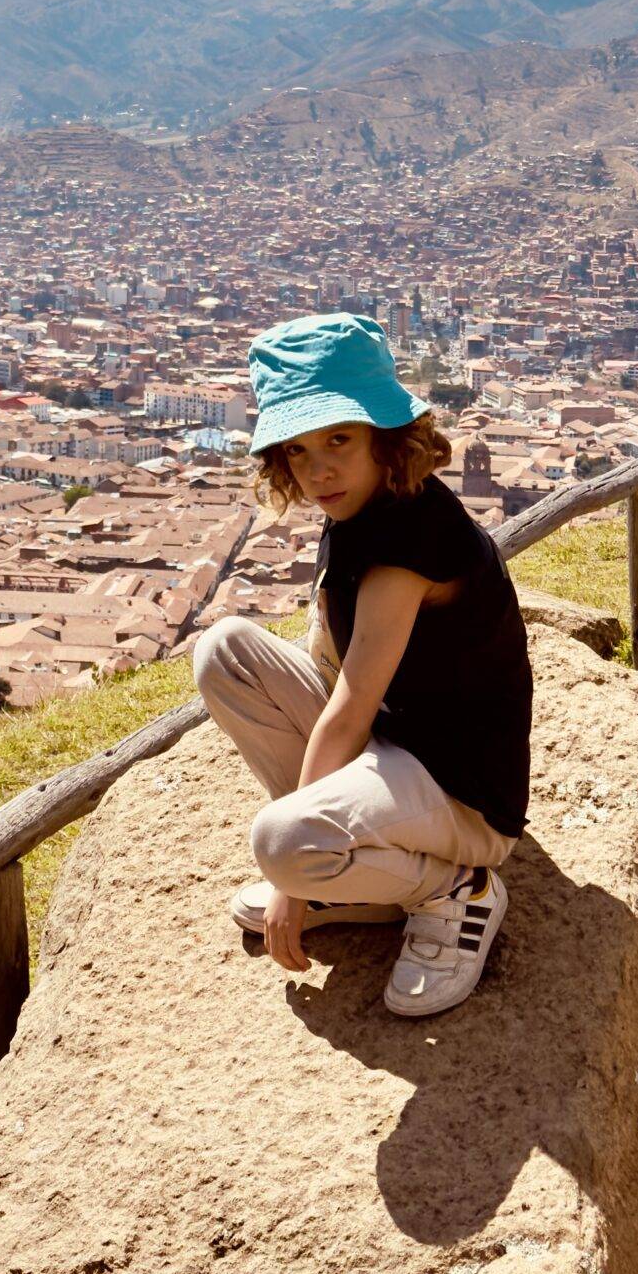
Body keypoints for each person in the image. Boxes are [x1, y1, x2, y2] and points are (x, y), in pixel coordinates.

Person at [190, 311, 533, 1018]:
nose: (317, 469)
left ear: (385, 434)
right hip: (397, 744)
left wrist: (289, 880)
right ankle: (351, 874)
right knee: (224, 650)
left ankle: (455, 890)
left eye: (338, 439)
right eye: (297, 449)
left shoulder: (410, 536)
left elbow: (348, 708)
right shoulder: (367, 505)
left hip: (459, 792)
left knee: (280, 842)